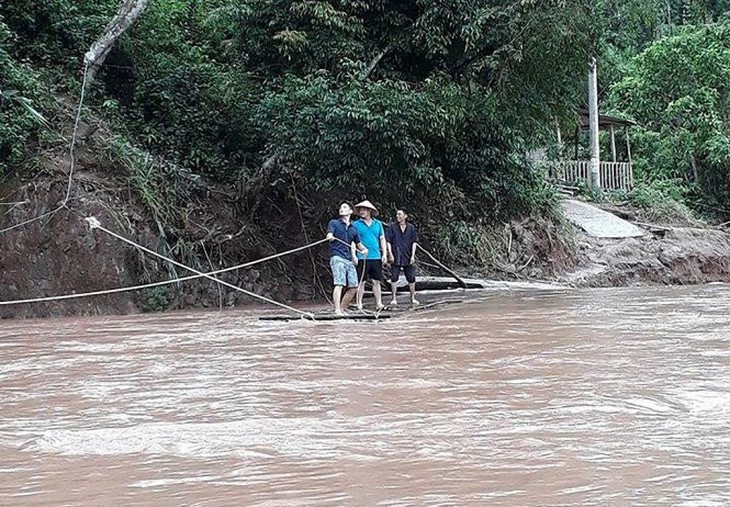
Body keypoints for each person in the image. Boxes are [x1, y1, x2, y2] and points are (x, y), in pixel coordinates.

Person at [326, 202, 368, 316]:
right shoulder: (334, 223)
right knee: (339, 283)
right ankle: (337, 310)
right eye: (340, 207)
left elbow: (359, 245)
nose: (341, 209)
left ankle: (342, 309)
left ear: (350, 211)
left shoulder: (353, 229)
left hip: (348, 259)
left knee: (354, 286)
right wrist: (330, 236)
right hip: (336, 256)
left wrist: (364, 250)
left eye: (344, 207)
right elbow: (329, 234)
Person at [352, 200, 387, 311]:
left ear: (370, 211)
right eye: (360, 210)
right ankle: (359, 304)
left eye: (364, 210)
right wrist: (354, 255)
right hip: (362, 256)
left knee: (376, 281)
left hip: (376, 256)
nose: (361, 212)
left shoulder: (378, 224)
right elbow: (353, 241)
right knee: (361, 281)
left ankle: (379, 303)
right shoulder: (356, 225)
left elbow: (382, 239)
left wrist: (384, 254)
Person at [386, 208, 419, 306]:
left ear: (405, 216)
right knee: (394, 277)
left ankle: (412, 298)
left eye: (400, 215)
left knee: (411, 277)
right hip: (396, 254)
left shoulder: (411, 228)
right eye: (397, 215)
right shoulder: (392, 227)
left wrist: (413, 255)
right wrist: (390, 253)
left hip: (408, 255)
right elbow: (388, 241)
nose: (398, 216)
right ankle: (394, 298)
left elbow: (414, 242)